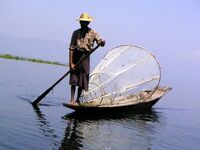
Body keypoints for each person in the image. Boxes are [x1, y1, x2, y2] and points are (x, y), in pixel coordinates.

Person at [69, 12, 105, 105]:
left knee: (82, 78)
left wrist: (102, 42)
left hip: (85, 57)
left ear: (88, 23)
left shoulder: (93, 32)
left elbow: (100, 41)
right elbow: (71, 48)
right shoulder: (75, 33)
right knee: (74, 79)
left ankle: (77, 100)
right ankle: (72, 99)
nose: (82, 23)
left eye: (84, 22)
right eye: (81, 21)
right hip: (76, 56)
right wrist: (71, 63)